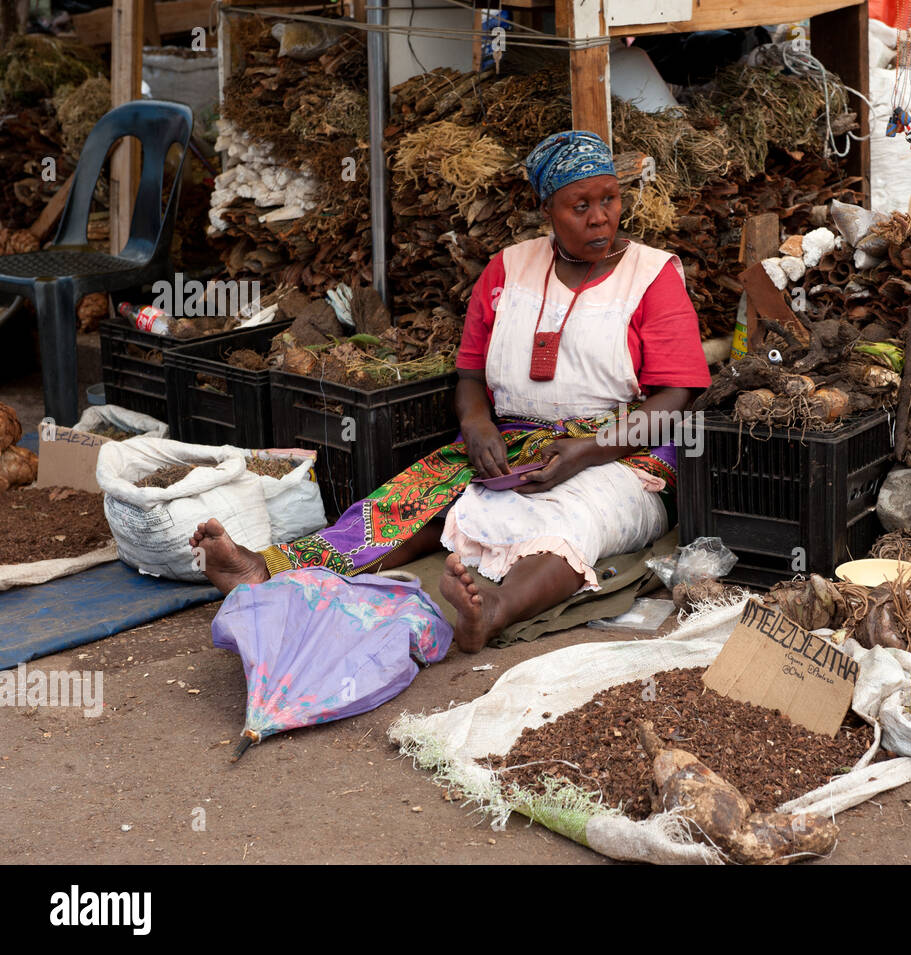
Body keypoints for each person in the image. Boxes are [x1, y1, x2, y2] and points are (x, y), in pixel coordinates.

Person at [191, 130, 711, 653]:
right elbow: (469, 378)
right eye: (580, 205)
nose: (600, 217)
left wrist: (588, 451)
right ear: (548, 207)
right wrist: (478, 426)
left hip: (620, 453)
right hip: (517, 442)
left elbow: (678, 395)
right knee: (414, 499)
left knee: (575, 519)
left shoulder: (652, 275)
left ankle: (494, 610)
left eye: (609, 200)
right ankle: (264, 569)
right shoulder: (507, 269)